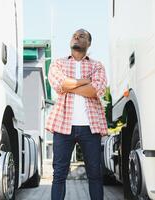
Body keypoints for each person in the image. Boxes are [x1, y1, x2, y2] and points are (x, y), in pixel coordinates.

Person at [46, 29, 108, 200]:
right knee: (59, 174)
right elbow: (60, 84)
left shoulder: (97, 65)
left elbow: (97, 90)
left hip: (91, 127)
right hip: (63, 126)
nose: (77, 37)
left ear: (89, 43)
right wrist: (85, 81)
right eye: (74, 35)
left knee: (95, 174)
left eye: (82, 35)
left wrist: (71, 85)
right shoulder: (58, 63)